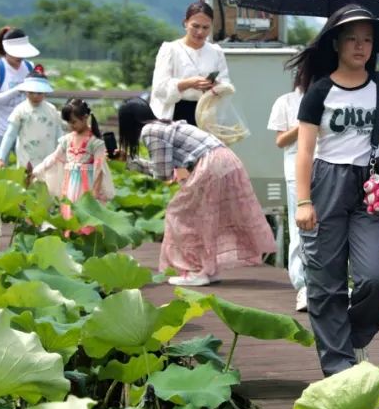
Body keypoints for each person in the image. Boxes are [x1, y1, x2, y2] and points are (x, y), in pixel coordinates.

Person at [290, 4, 379, 376]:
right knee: (326, 283)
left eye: (367, 40)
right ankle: (339, 365)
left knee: (373, 275)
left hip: (368, 187)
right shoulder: (320, 91)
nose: (360, 47)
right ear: (337, 44)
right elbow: (305, 150)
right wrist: (304, 201)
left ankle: (349, 337)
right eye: (353, 39)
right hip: (326, 184)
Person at [118, 97, 276, 286]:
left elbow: (163, 174)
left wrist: (132, 164)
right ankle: (209, 270)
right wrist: (130, 161)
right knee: (207, 217)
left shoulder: (150, 131)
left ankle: (195, 271)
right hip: (225, 160)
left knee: (181, 214)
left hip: (211, 164)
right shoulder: (166, 125)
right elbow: (176, 166)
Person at [0, 27, 40, 236]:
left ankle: (28, 216)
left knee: (28, 171)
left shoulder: (29, 66)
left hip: (23, 128)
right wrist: (16, 89)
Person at [31, 99, 115, 227]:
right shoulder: (67, 139)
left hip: (87, 185)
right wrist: (37, 171)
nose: (71, 126)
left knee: (86, 218)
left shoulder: (95, 141)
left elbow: (99, 168)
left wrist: (95, 192)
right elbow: (54, 157)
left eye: (74, 122)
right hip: (69, 184)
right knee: (69, 215)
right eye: (69, 122)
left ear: (85, 117)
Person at [149, 1, 234, 124]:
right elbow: (159, 88)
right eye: (195, 26)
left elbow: (226, 85)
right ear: (186, 23)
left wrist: (215, 84)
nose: (200, 32)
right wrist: (187, 83)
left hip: (205, 114)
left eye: (205, 27)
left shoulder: (216, 51)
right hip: (175, 113)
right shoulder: (170, 49)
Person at [268, 81, 308, 312]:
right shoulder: (286, 101)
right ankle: (303, 285)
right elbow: (280, 140)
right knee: (300, 228)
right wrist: (305, 123)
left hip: (327, 169)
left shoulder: (334, 95)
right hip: (296, 172)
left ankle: (332, 285)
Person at [0, 70, 62, 170]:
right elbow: (10, 135)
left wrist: (62, 153)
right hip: (26, 158)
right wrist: (1, 157)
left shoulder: (52, 110)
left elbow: (59, 133)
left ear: (45, 93)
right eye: (31, 93)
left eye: (39, 93)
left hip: (49, 158)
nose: (35, 96)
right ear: (26, 92)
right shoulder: (20, 110)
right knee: (27, 182)